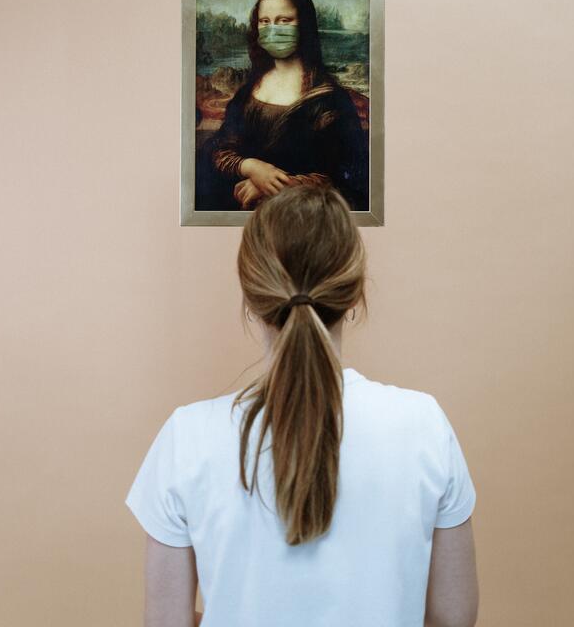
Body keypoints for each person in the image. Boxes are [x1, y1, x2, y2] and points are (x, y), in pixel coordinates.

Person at [125, 184, 479, 627]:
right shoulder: (424, 424)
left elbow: (166, 622)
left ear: (252, 299)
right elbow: (453, 616)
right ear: (354, 296)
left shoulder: (187, 436)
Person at [195, 0, 369, 211]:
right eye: (265, 22)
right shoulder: (249, 91)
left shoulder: (330, 99)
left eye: (284, 21)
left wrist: (275, 186)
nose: (273, 29)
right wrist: (250, 167)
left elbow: (346, 176)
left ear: (304, 26)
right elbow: (219, 148)